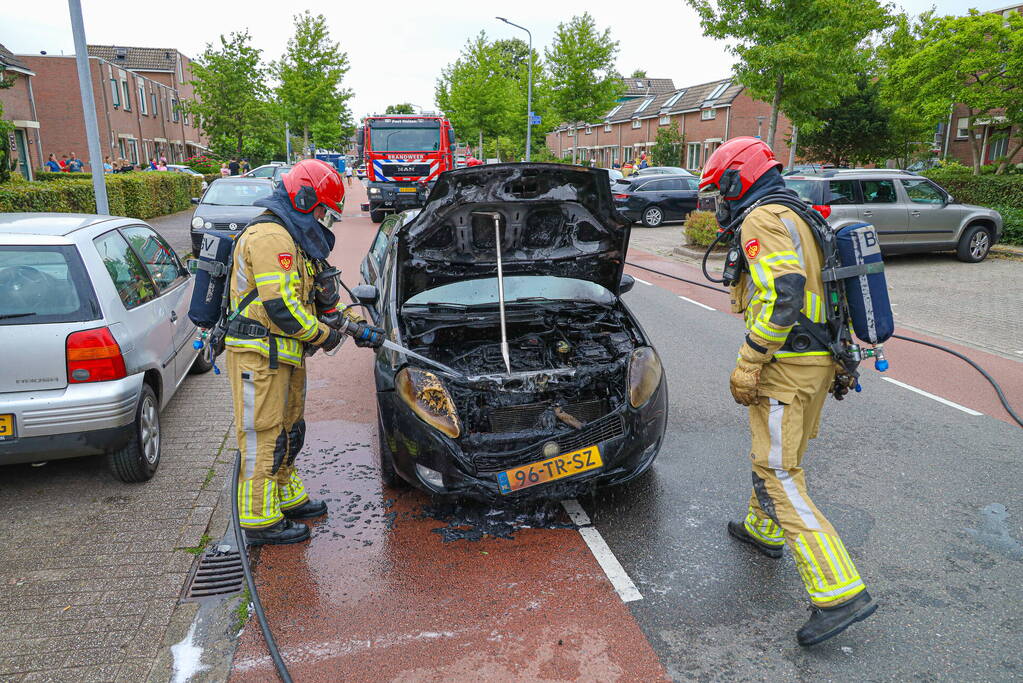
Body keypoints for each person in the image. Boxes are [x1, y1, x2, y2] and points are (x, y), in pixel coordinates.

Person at [698, 136, 876, 647]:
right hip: (821, 362)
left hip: (786, 365)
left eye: (720, 191)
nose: (719, 204)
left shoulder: (761, 218)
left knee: (780, 470)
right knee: (781, 453)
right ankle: (763, 530)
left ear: (738, 179)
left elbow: (784, 291)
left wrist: (750, 359)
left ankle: (839, 593)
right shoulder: (801, 214)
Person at [225, 158, 385, 545]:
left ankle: (285, 496)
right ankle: (259, 519)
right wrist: (325, 337)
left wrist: (354, 327)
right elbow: (281, 307)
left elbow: (314, 298)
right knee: (262, 433)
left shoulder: (293, 238)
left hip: (285, 353)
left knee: (289, 427)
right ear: (303, 198)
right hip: (260, 354)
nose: (323, 220)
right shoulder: (270, 238)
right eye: (321, 211)